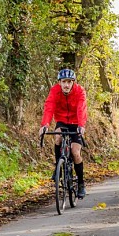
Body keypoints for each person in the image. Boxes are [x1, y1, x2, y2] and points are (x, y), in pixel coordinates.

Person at [39, 68, 88, 198]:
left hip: (76, 123)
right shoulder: (54, 91)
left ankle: (81, 184)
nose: (66, 85)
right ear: (59, 82)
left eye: (69, 82)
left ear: (73, 83)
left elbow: (81, 108)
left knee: (75, 153)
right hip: (61, 121)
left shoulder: (79, 91)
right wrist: (45, 125)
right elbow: (49, 107)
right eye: (64, 82)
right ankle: (58, 167)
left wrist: (81, 125)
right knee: (58, 137)